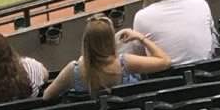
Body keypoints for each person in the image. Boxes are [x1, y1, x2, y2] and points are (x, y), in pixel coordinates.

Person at [42, 17, 173, 98]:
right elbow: (165, 61)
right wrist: (140, 37)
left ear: (86, 42)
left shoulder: (73, 70)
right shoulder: (125, 63)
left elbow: (47, 96)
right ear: (111, 41)